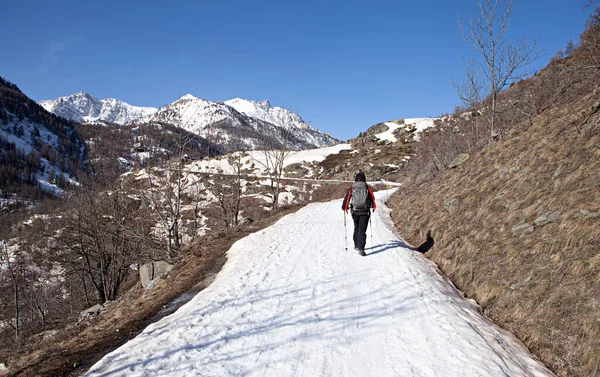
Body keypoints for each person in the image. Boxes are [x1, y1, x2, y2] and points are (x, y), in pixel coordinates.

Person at [341, 172, 376, 256]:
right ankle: (361, 248)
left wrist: (344, 207)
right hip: (365, 211)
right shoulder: (367, 187)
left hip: (355, 211)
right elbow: (372, 198)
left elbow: (347, 198)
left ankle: (356, 245)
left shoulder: (353, 188)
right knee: (362, 229)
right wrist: (373, 206)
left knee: (356, 227)